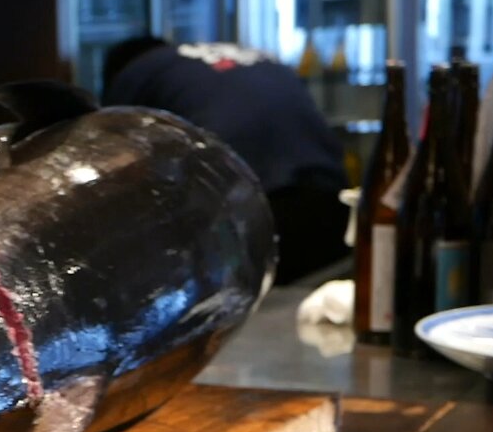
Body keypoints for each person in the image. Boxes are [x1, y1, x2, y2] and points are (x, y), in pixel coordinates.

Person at [101, 36, 351, 284]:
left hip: (249, 215)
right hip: (334, 202)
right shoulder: (243, 55)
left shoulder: (136, 71)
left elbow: (119, 165)